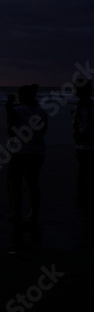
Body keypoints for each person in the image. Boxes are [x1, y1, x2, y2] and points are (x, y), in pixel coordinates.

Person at [4, 84, 49, 224]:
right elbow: (43, 131)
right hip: (37, 151)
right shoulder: (42, 112)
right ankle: (33, 214)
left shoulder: (16, 111)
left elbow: (10, 130)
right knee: (33, 183)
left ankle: (17, 213)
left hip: (20, 151)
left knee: (14, 182)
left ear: (21, 96)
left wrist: (9, 108)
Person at [73, 79, 94, 212]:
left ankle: (86, 201)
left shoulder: (85, 106)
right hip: (81, 145)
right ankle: (84, 200)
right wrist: (75, 132)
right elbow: (76, 124)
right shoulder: (79, 106)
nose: (76, 92)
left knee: (87, 173)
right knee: (83, 172)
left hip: (89, 145)